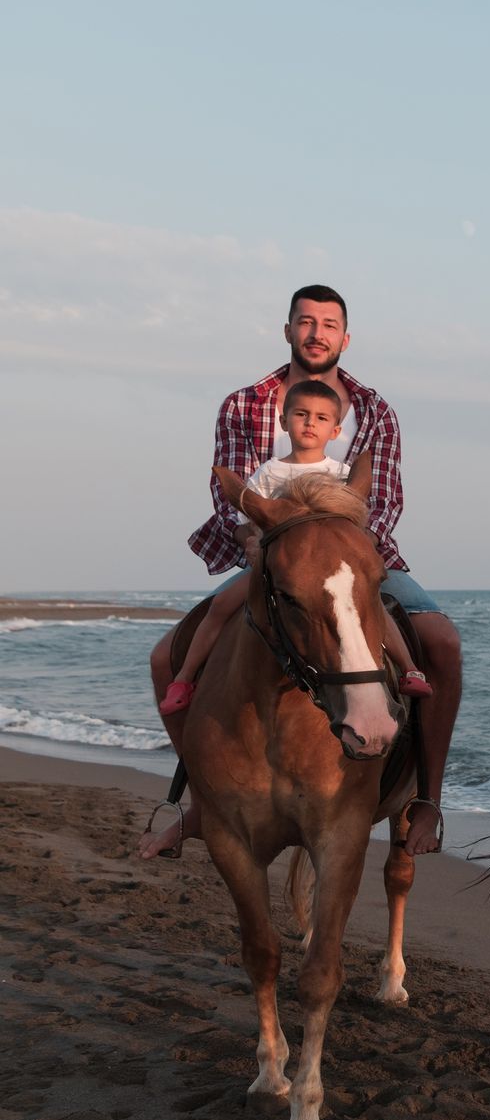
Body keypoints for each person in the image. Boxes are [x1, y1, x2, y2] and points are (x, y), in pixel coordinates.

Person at [139, 285, 463, 859]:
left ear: (345, 336)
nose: (317, 333)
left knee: (442, 640)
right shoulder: (244, 403)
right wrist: (266, 543)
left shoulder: (376, 411)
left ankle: (427, 800)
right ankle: (203, 794)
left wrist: (336, 548)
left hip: (352, 554)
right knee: (166, 656)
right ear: (288, 330)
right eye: (306, 322)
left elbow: (380, 502)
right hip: (269, 556)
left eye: (329, 324)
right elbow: (232, 497)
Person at [157, 379, 433, 714]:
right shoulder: (270, 473)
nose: (309, 423)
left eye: (320, 418)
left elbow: (352, 522)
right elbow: (252, 516)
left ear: (334, 431)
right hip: (278, 566)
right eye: (301, 414)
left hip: (328, 565)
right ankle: (185, 678)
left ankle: (408, 669)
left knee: (371, 605)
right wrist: (253, 541)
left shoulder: (341, 474)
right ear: (284, 422)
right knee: (220, 606)